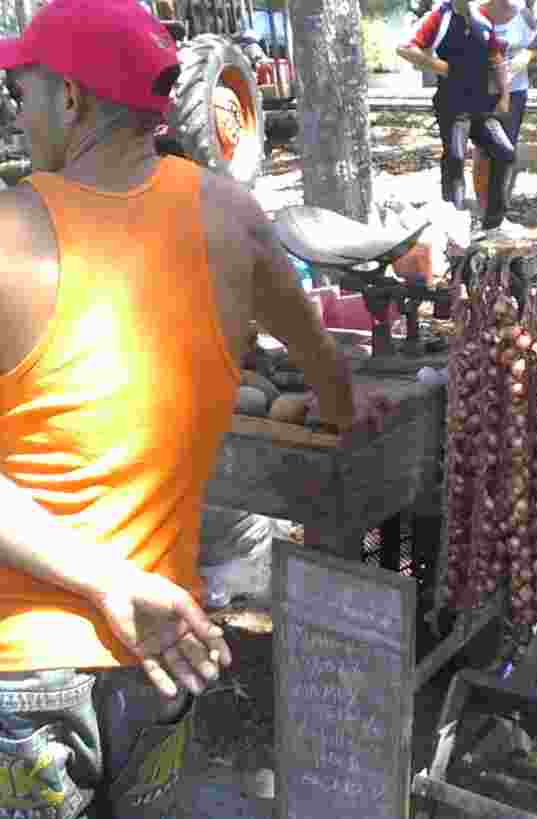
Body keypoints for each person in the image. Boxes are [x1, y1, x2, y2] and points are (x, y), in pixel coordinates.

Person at [0, 1, 391, 816]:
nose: (18, 111)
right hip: (161, 650)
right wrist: (348, 404)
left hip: (21, 661)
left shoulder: (10, 234)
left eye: (21, 92)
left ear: (69, 99)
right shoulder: (234, 217)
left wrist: (106, 583)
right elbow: (328, 374)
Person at [398, 0, 519, 233]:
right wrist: (443, 68)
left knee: (505, 153)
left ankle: (493, 223)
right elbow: (404, 48)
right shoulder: (439, 16)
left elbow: (496, 59)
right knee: (455, 158)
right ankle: (454, 226)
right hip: (453, 105)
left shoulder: (483, 19)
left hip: (482, 106)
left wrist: (505, 95)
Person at [471, 0, 537, 216]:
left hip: (516, 92)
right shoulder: (473, 13)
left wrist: (525, 57)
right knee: (483, 149)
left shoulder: (523, 15)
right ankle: (483, 206)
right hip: (482, 91)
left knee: (508, 148)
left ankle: (501, 206)